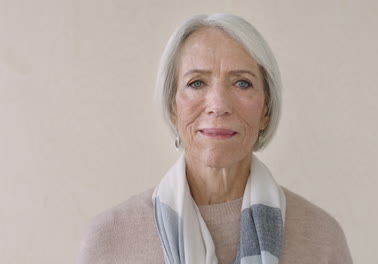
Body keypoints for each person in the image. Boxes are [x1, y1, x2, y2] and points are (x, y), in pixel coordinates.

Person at [79, 13, 352, 264]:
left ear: (266, 110)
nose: (218, 104)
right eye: (196, 82)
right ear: (173, 106)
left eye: (242, 82)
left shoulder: (322, 239)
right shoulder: (110, 238)